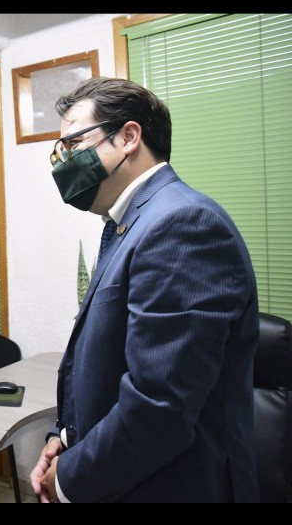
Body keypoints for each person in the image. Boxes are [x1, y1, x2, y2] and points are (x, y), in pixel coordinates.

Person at [32, 77, 259, 503]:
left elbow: (159, 407)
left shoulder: (181, 223)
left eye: (73, 144)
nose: (64, 163)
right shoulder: (129, 223)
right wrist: (65, 438)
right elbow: (104, 362)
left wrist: (66, 480)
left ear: (128, 137)